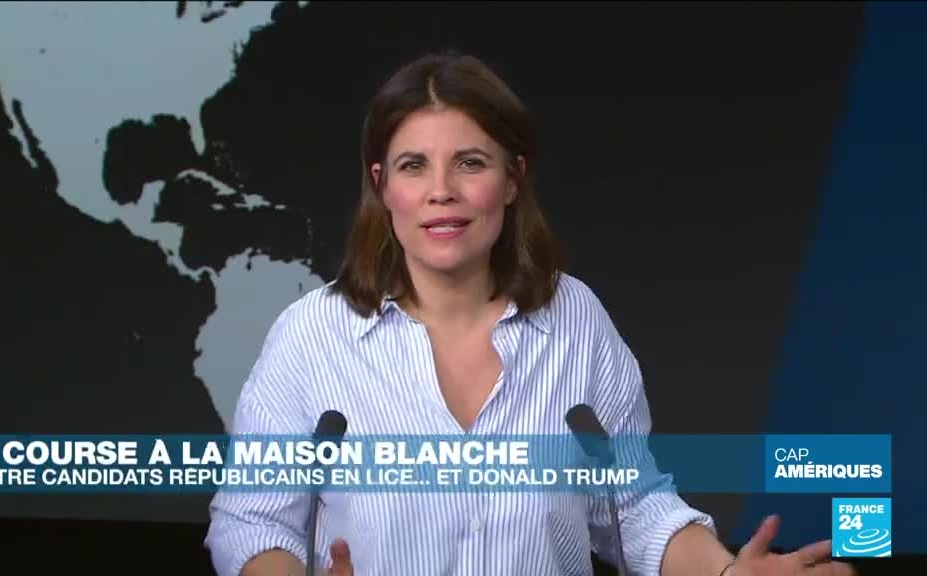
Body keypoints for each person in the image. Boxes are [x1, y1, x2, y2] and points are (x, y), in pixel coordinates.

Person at [204, 51, 855, 576]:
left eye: (470, 163)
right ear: (382, 185)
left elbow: (635, 506)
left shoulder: (576, 322)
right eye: (413, 166)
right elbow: (253, 521)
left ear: (512, 179)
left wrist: (724, 571)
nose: (441, 192)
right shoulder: (311, 337)